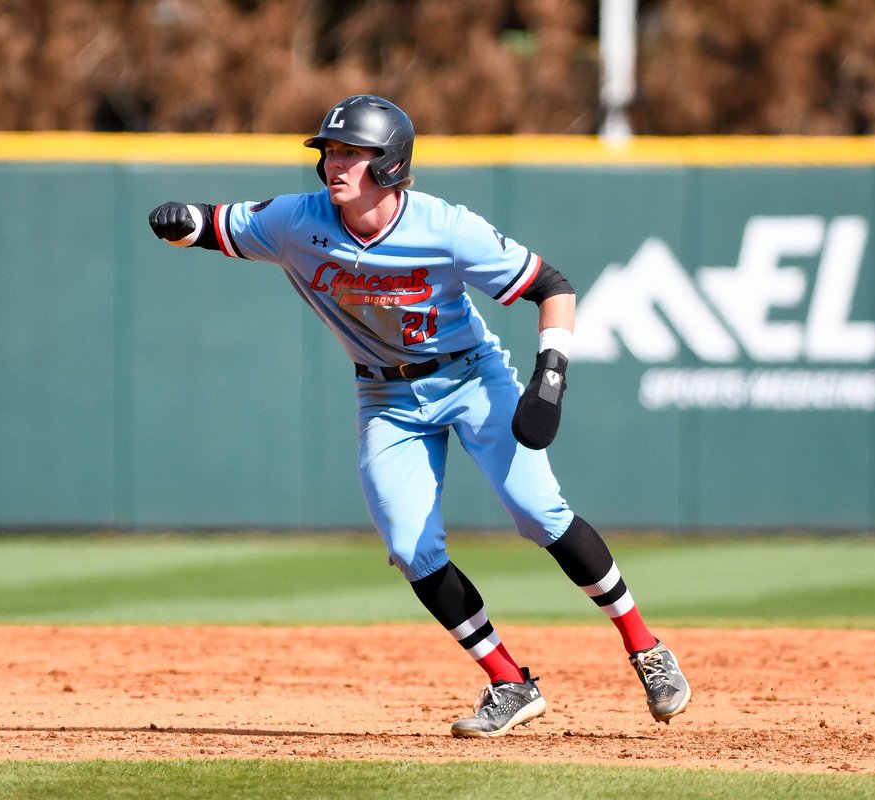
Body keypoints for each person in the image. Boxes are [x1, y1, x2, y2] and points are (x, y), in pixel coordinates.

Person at [148, 94, 690, 738]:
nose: (335, 164)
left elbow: (554, 287)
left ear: (393, 164)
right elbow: (212, 226)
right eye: (330, 151)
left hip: (469, 376)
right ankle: (509, 681)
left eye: (354, 153)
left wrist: (550, 378)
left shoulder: (446, 227)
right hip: (385, 398)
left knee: (538, 512)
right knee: (410, 546)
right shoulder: (296, 221)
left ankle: (646, 647)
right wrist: (181, 221)